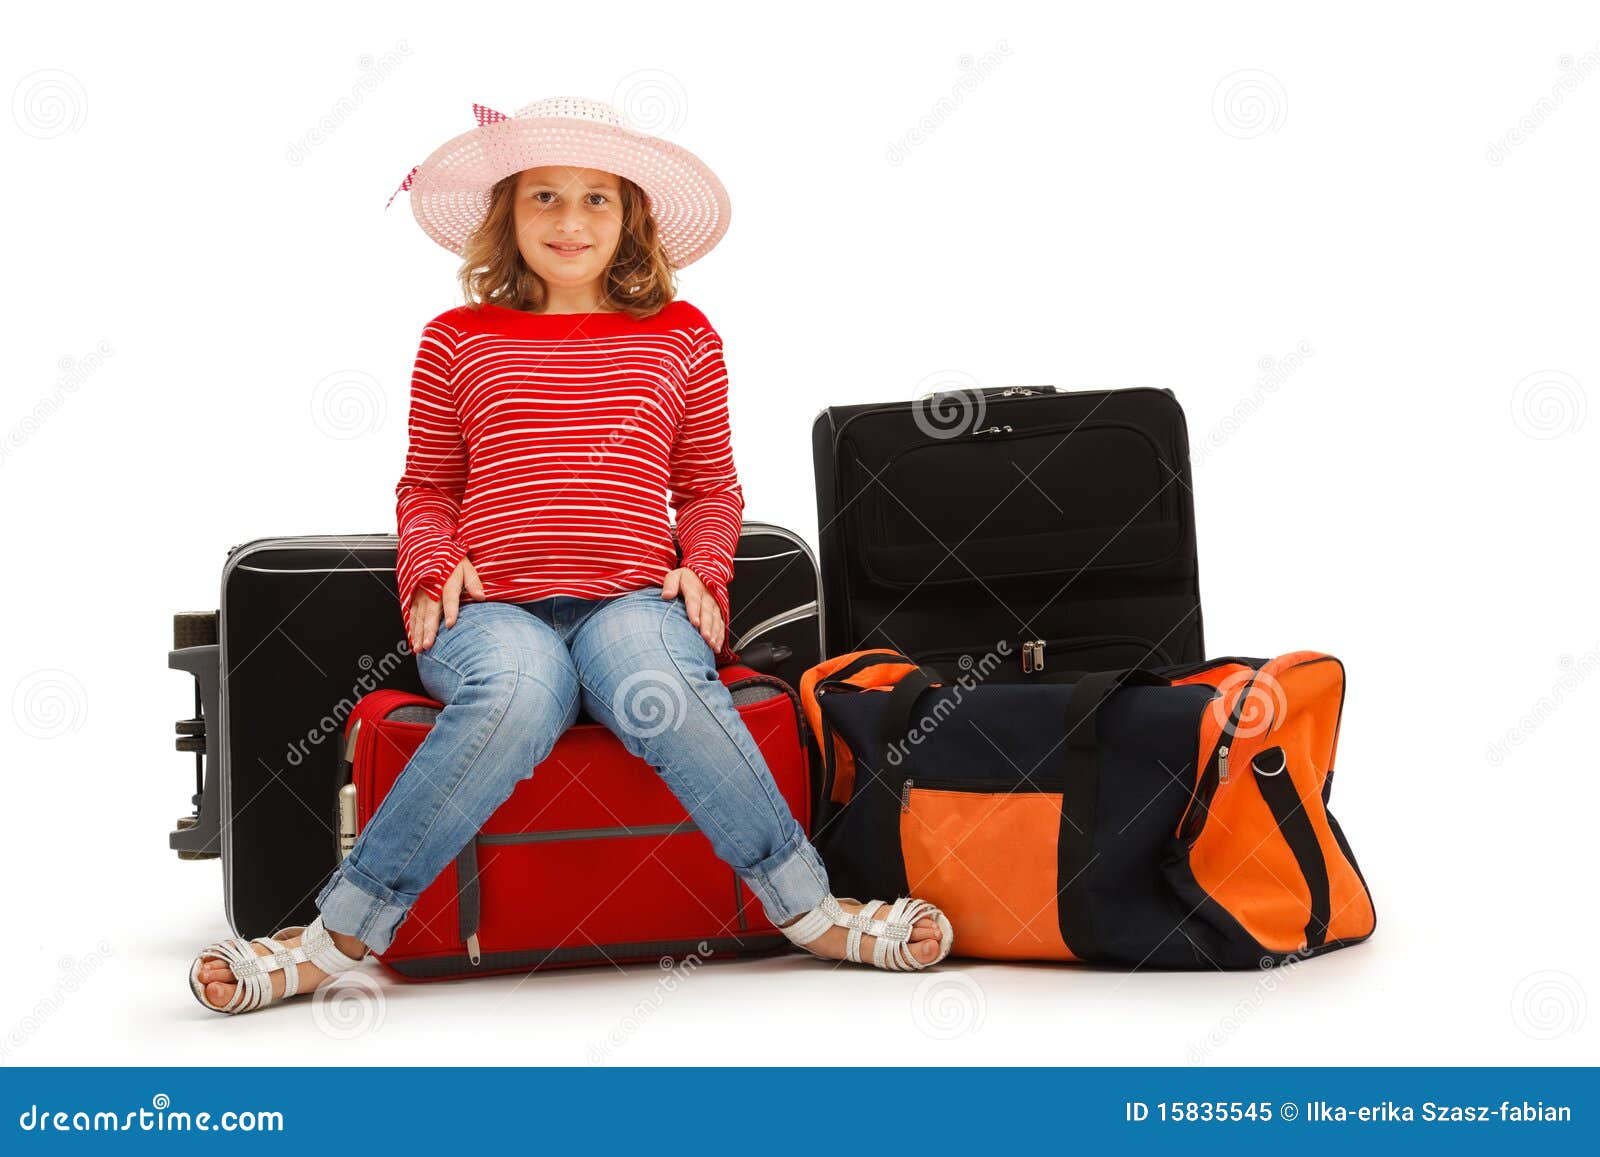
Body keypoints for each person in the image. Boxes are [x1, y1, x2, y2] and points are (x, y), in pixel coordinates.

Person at [189, 96, 953, 1014]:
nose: (569, 220)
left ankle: (807, 909)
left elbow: (710, 488)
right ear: (507, 215)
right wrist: (432, 567)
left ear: (631, 215)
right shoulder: (456, 340)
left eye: (595, 199)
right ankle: (336, 937)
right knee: (516, 690)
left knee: (658, 687)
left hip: (633, 599)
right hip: (495, 611)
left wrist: (702, 570)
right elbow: (426, 487)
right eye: (544, 197)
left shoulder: (682, 336)